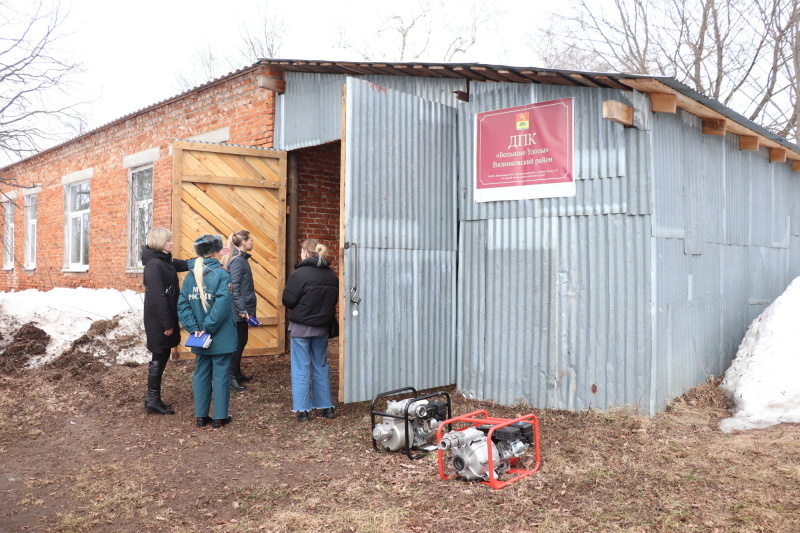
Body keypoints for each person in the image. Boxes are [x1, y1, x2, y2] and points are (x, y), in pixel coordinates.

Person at [177, 235, 237, 428]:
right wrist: (207, 329)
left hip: (199, 337)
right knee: (220, 375)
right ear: (215, 252)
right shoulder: (222, 274)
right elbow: (221, 306)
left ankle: (201, 417)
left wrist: (195, 330)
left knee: (201, 373)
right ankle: (220, 417)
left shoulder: (190, 275)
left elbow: (183, 304)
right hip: (219, 334)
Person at [281, 238, 339, 422]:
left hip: (301, 327)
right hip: (322, 326)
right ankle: (327, 407)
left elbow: (288, 300)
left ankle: (303, 410)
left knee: (301, 367)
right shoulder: (331, 275)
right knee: (320, 365)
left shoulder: (299, 274)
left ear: (305, 253)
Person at [141, 227, 188, 415]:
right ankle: (152, 399)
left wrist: (206, 259)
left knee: (161, 354)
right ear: (161, 243)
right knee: (159, 354)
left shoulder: (164, 261)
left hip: (163, 316)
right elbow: (157, 297)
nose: (172, 243)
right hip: (158, 318)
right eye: (169, 240)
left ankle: (152, 398)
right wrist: (167, 323)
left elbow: (183, 264)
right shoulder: (154, 265)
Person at [222, 230, 257, 392]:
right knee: (238, 342)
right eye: (251, 240)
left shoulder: (240, 259)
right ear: (243, 242)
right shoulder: (238, 261)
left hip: (242, 309)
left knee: (241, 341)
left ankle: (236, 373)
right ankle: (231, 377)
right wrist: (242, 309)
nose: (252, 243)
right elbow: (233, 287)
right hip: (238, 311)